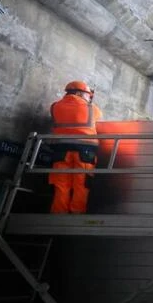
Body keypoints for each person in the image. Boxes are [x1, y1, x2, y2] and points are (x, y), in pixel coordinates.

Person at [49, 80, 102, 213]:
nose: (89, 97)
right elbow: (99, 117)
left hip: (61, 151)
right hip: (85, 151)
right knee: (82, 184)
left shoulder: (55, 106)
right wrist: (89, 102)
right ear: (79, 93)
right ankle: (76, 214)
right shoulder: (92, 109)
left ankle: (58, 214)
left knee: (61, 184)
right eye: (88, 95)